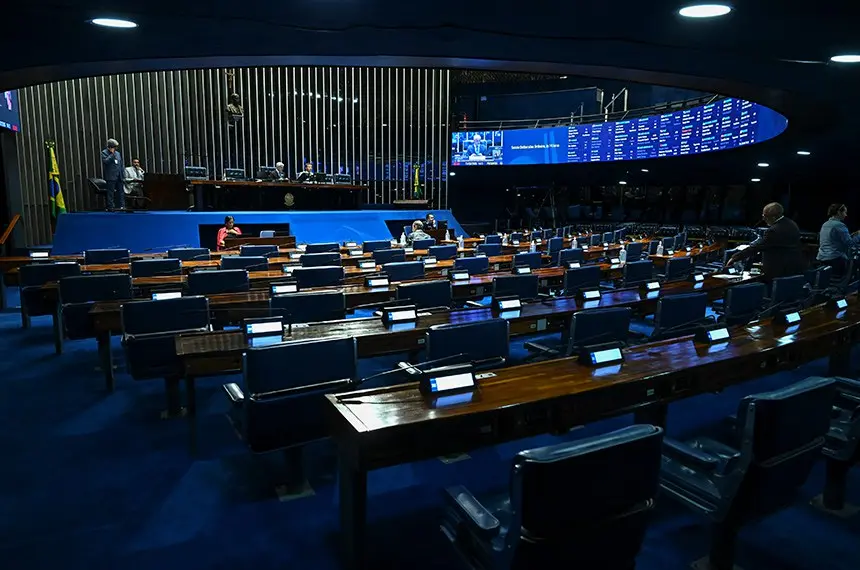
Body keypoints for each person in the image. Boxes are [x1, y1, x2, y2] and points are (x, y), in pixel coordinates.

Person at [725, 202, 805, 280]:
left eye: (765, 216)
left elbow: (757, 248)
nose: (763, 219)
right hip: (793, 270)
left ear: (773, 217)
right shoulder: (792, 224)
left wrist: (735, 257)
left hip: (778, 273)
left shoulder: (773, 231)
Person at [816, 203, 860, 279]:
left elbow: (833, 240)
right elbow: (850, 243)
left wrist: (852, 235)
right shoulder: (839, 225)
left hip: (822, 258)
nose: (846, 215)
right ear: (839, 212)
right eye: (845, 212)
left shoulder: (825, 224)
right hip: (835, 260)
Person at [101, 138, 124, 210]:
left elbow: (120, 164)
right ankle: (111, 206)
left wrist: (122, 173)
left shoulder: (118, 153)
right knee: (110, 193)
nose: (116, 148)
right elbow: (105, 162)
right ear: (110, 146)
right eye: (114, 147)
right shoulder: (104, 152)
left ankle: (121, 206)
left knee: (121, 192)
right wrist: (112, 154)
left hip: (119, 176)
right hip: (111, 176)